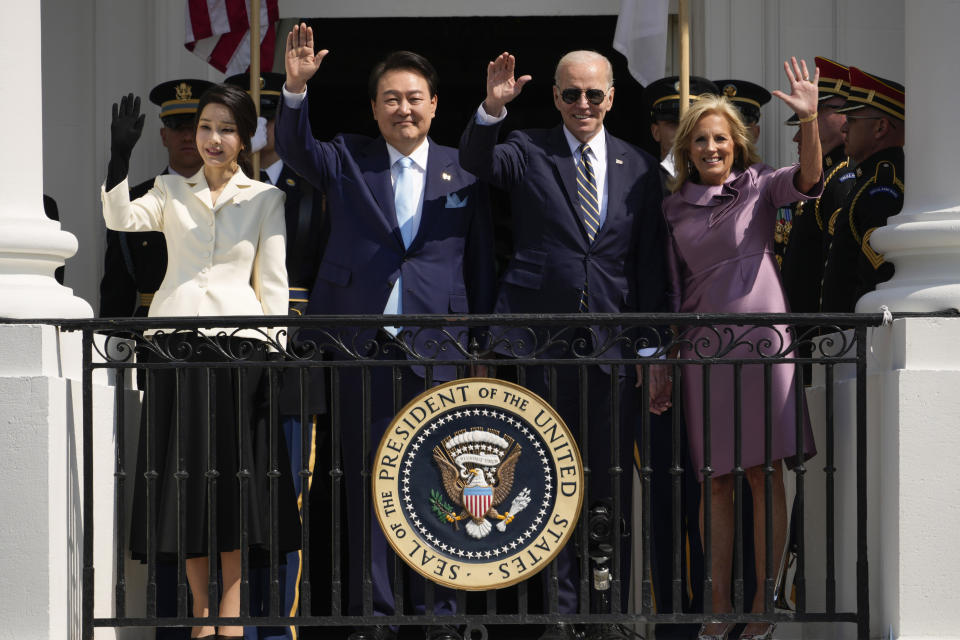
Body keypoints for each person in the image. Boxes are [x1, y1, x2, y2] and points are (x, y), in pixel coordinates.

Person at [274, 24, 495, 640]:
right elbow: (296, 150)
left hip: (439, 347)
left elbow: (480, 260)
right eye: (392, 98)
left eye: (415, 96)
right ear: (374, 107)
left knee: (445, 481)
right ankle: (375, 614)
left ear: (433, 105)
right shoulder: (345, 156)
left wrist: (477, 341)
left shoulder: (463, 168)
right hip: (360, 346)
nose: (404, 108)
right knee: (368, 483)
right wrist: (294, 91)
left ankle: (441, 615)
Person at [458, 50, 670, 640]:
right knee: (541, 480)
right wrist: (492, 108)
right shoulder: (527, 148)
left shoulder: (641, 167)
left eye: (594, 95)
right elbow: (477, 162)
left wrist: (651, 350)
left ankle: (603, 615)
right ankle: (554, 610)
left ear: (610, 98)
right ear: (553, 96)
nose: (583, 105)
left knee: (605, 482)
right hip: (534, 343)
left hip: (609, 347)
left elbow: (648, 264)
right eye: (571, 94)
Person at [102, 85, 301, 640]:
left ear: (245, 138)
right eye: (206, 128)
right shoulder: (167, 189)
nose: (213, 139)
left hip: (241, 353)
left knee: (236, 490)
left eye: (227, 129)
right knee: (185, 488)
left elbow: (275, 287)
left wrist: (274, 356)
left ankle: (231, 619)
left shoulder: (266, 199)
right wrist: (118, 157)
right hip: (176, 351)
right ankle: (201, 619)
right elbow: (120, 218)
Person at [662, 58, 821, 640]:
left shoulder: (759, 186)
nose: (711, 147)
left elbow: (807, 181)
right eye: (701, 139)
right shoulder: (673, 206)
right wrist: (664, 362)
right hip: (703, 346)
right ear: (688, 148)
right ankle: (718, 601)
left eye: (721, 139)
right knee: (716, 476)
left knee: (762, 472)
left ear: (738, 145)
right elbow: (674, 291)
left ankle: (764, 599)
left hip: (762, 342)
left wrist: (807, 122)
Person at [225, 70, 331, 640]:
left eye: (265, 114)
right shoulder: (208, 189)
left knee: (284, 498)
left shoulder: (313, 186)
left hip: (290, 361)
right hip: (221, 357)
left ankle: (275, 626)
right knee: (220, 490)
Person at [99, 78, 213, 318]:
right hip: (153, 333)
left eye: (194, 127)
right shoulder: (135, 199)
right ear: (163, 135)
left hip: (217, 334)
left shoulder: (231, 194)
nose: (186, 136)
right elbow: (118, 287)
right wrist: (112, 347)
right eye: (176, 126)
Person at [820, 67, 905, 312]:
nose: (844, 128)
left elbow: (876, 277)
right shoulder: (867, 181)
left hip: (859, 339)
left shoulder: (881, 188)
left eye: (853, 120)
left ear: (880, 127)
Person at [778, 57, 856, 293]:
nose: (798, 136)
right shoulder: (826, 176)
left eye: (813, 114)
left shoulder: (845, 178)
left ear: (844, 114)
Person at [642, 75, 719, 188]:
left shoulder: (721, 181)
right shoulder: (642, 184)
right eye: (675, 124)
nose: (684, 132)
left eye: (692, 125)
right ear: (656, 132)